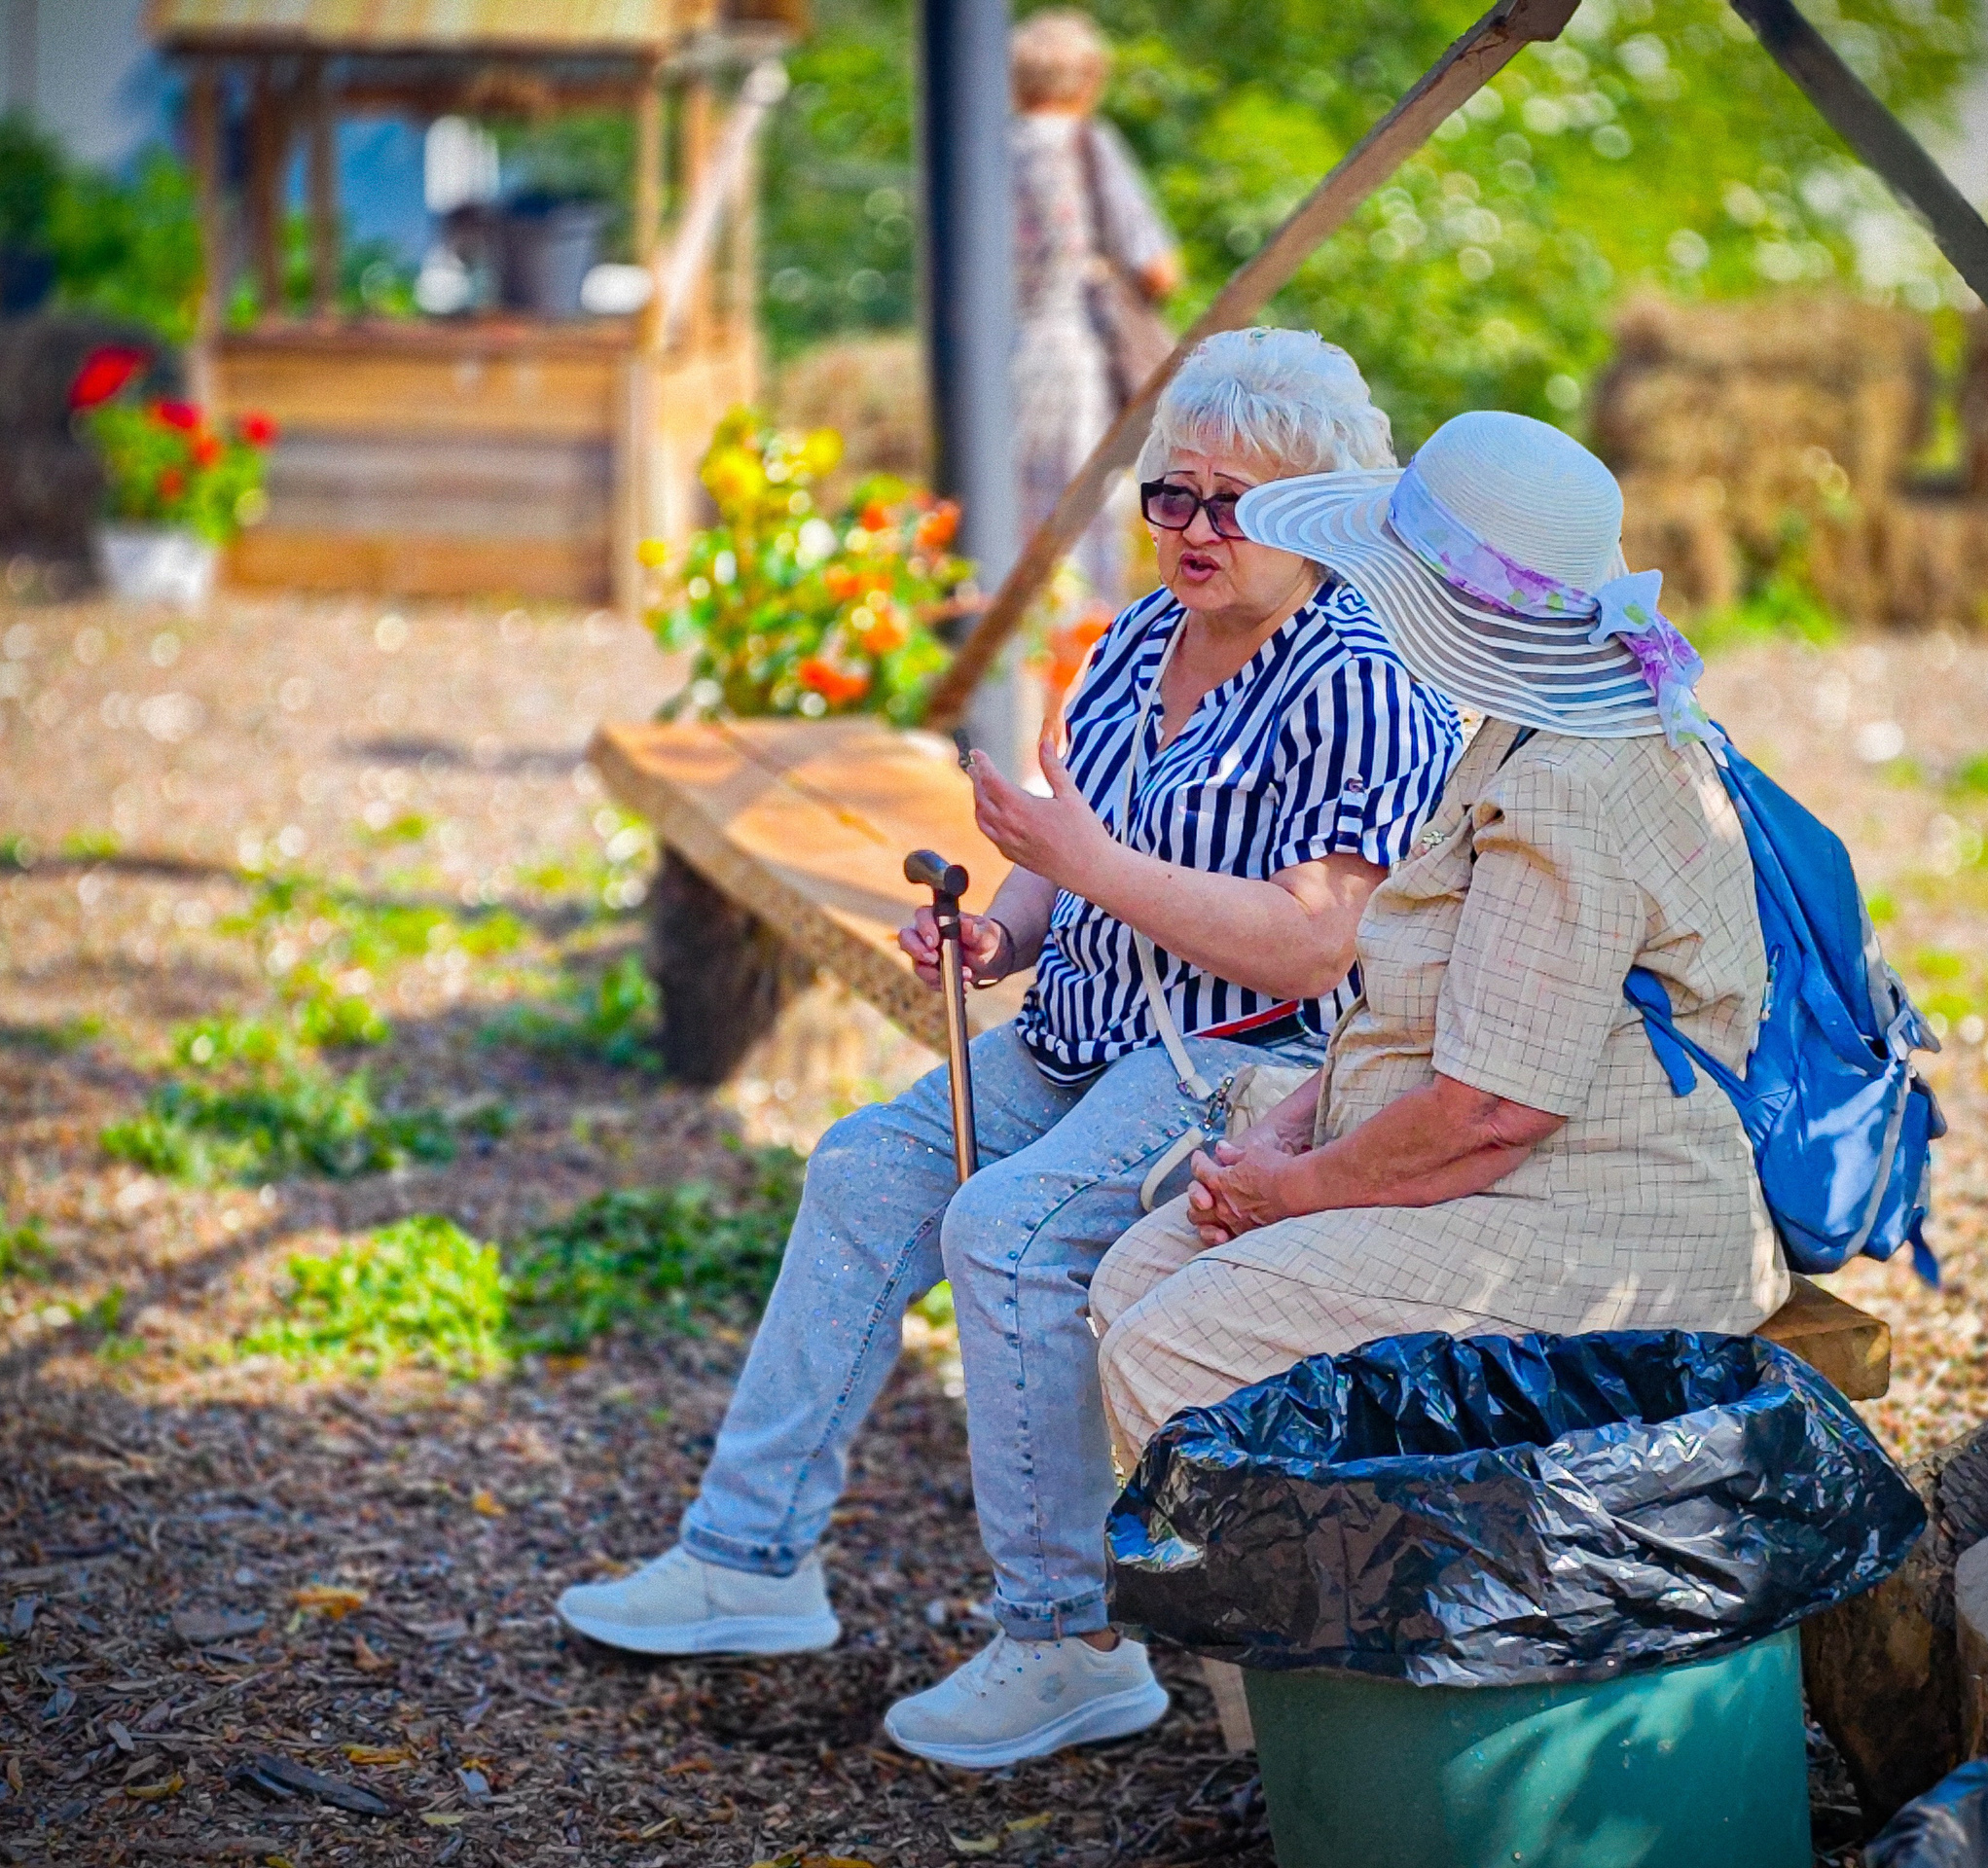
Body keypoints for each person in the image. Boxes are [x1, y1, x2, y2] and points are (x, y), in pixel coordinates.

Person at [557, 329, 1462, 1770]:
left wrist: (1083, 866)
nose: (1193, 530)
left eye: (1237, 505)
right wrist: (1005, 928)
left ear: (1323, 515)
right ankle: (750, 1561)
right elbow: (1066, 855)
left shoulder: (1359, 674)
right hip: (1083, 1025)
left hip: (1250, 1062)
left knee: (1013, 1230)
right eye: (1174, 494)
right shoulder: (1130, 642)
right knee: (860, 1170)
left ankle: (1071, 1645)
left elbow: (1316, 944)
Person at [1088, 411, 1789, 1465]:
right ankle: (1283, 1596)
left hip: (1602, 1209)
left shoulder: (1569, 787)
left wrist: (1295, 1192)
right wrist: (1287, 1131)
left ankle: (1364, 1619)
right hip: (1503, 1163)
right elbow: (1439, 1009)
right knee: (1134, 1282)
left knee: (1172, 1353)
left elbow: (1493, 1113)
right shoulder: (1538, 716)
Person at [1010, 8, 1179, 611]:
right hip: (1072, 355)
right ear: (1088, 79)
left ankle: (1015, 659)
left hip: (993, 362)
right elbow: (1157, 267)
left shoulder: (984, 151)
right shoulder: (1087, 145)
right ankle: (1081, 665)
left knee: (1007, 518)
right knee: (1085, 518)